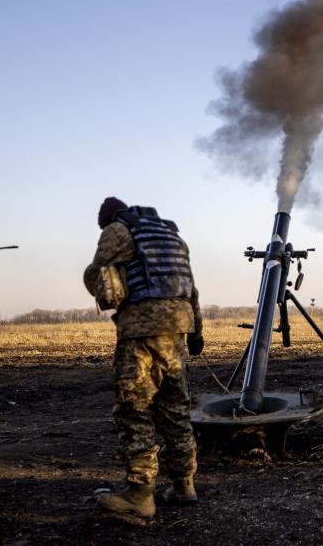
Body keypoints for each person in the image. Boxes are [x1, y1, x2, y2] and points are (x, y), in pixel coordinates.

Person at [84, 197, 204, 518]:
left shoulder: (117, 231)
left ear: (108, 219)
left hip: (140, 331)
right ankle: (184, 485)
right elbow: (190, 287)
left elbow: (97, 274)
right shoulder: (170, 235)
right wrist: (196, 333)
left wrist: (99, 279)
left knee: (134, 408)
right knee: (175, 408)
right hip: (177, 329)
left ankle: (140, 495)